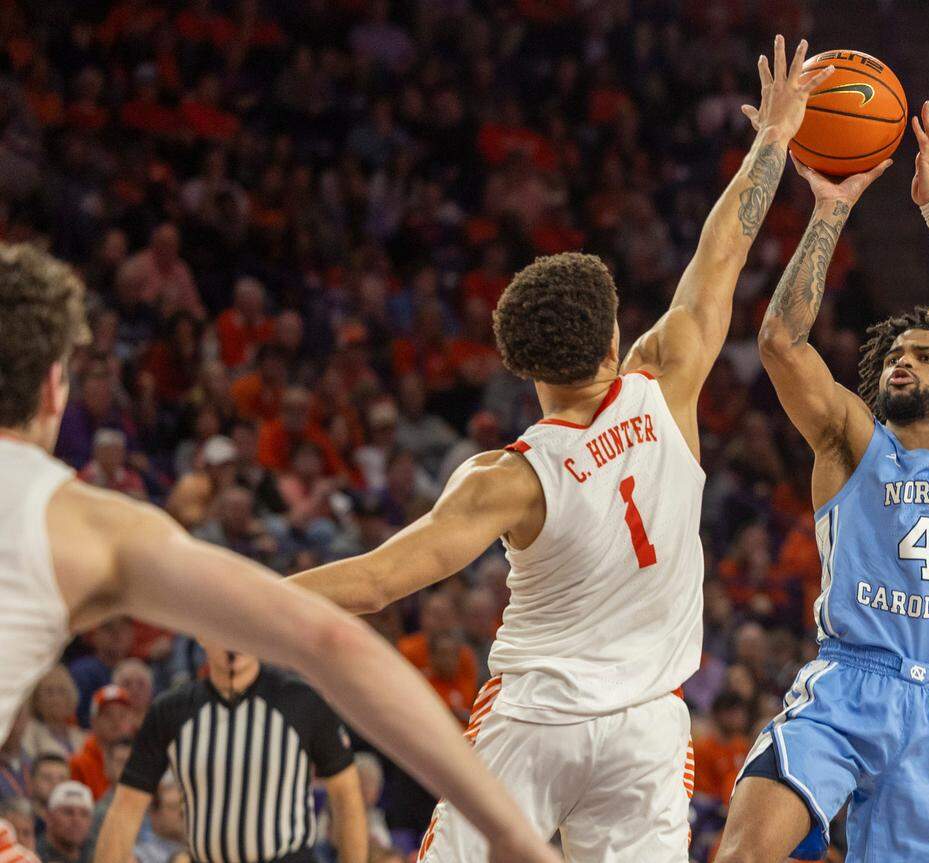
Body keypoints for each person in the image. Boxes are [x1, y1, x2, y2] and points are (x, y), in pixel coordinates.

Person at [289, 35, 831, 862]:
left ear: (524, 367)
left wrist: (233, 593)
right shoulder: (667, 380)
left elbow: (374, 583)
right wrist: (774, 138)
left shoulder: (507, 477)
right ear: (614, 338)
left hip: (533, 724)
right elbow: (721, 252)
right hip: (649, 726)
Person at [0, 242, 560, 863]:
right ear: (56, 387)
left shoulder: (288, 710)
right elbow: (332, 642)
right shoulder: (80, 525)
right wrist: (510, 833)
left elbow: (346, 797)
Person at [717, 95, 929, 863]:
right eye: (897, 353)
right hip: (844, 688)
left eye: (927, 355)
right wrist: (829, 207)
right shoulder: (853, 440)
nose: (904, 359)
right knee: (743, 854)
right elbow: (781, 339)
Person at [94, 642, 365, 863]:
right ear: (201, 636)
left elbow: (346, 793)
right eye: (223, 628)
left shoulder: (301, 700)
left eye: (242, 628)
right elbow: (126, 807)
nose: (233, 640)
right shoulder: (171, 710)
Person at [68, 686, 133, 802]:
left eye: (122, 715)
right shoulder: (78, 764)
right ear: (93, 721)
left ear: (131, 721)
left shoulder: (141, 759)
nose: (116, 721)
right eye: (108, 715)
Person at [22, 667, 85, 760]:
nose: (55, 699)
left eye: (61, 691)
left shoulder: (82, 736)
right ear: (37, 700)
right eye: (49, 692)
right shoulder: (29, 732)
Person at [36, 782, 93, 863]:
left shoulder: (96, 852)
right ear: (49, 817)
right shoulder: (33, 856)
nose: (76, 820)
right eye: (68, 812)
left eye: (84, 814)